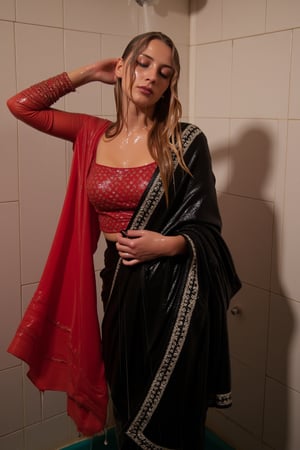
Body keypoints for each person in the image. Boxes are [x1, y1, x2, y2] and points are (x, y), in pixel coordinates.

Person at [7, 31, 241, 450]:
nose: (152, 76)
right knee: (125, 379)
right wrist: (86, 73)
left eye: (165, 73)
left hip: (172, 286)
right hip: (118, 278)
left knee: (173, 396)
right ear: (122, 67)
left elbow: (206, 228)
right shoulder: (92, 134)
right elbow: (21, 105)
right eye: (143, 63)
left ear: (171, 85)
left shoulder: (184, 141)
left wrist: (166, 245)